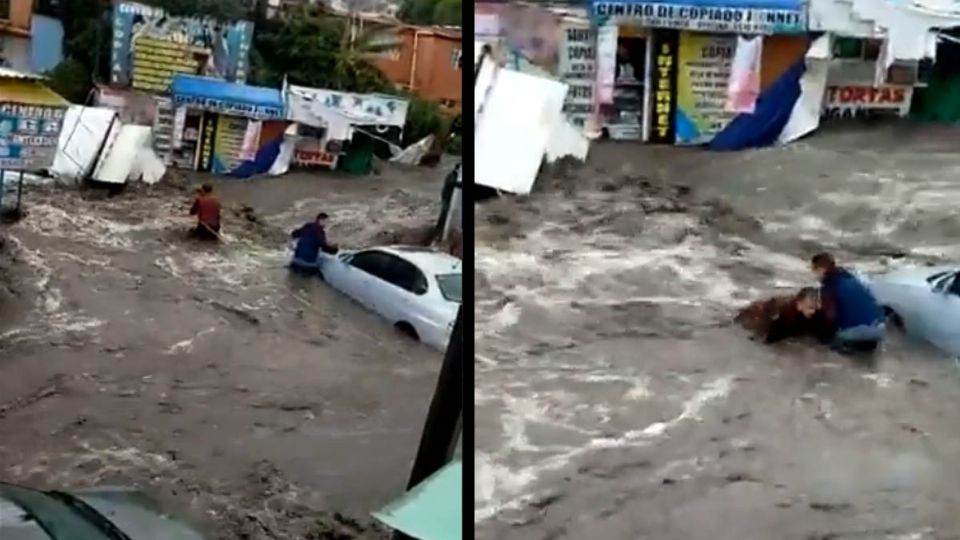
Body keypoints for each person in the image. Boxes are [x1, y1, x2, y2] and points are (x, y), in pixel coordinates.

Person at [811, 252, 884, 353]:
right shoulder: (850, 277)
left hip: (857, 333)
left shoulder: (829, 286)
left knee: (828, 345)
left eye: (814, 270)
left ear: (821, 269)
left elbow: (830, 318)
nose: (814, 274)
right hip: (879, 328)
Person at [735, 287, 829, 344]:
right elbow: (768, 339)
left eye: (816, 307)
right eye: (811, 308)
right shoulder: (785, 315)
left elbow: (824, 334)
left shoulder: (819, 313)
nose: (814, 311)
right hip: (763, 312)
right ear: (799, 305)